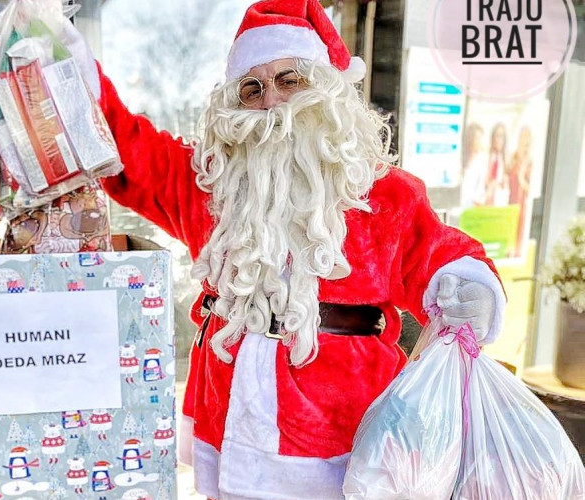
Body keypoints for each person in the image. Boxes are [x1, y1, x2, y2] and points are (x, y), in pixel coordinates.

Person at [62, 0, 506, 497]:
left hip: (338, 445)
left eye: (289, 80)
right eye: (252, 89)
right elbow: (127, 149)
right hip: (229, 431)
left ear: (325, 90)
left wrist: (467, 285)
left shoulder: (383, 194)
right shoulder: (211, 186)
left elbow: (440, 253)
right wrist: (68, 63)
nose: (271, 100)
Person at [507, 126, 532, 257]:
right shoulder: (513, 157)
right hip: (510, 199)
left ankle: (516, 252)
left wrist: (522, 178)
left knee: (519, 227)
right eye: (523, 136)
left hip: (521, 201)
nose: (525, 140)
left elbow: (529, 188)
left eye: (527, 137)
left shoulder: (529, 161)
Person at [460, 122, 488, 208]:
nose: (479, 141)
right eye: (477, 138)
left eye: (480, 138)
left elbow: (481, 189)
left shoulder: (481, 160)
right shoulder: (461, 157)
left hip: (472, 206)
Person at [484, 122, 509, 206]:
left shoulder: (506, 159)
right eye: (496, 136)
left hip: (499, 202)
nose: (498, 140)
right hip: (484, 201)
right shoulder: (485, 156)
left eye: (501, 136)